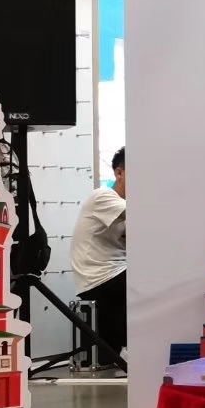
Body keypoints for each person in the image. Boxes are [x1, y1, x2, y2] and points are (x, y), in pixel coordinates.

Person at [70, 147, 126, 367]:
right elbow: (145, 213)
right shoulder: (103, 196)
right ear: (119, 173)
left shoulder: (120, 207)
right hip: (100, 276)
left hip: (113, 272)